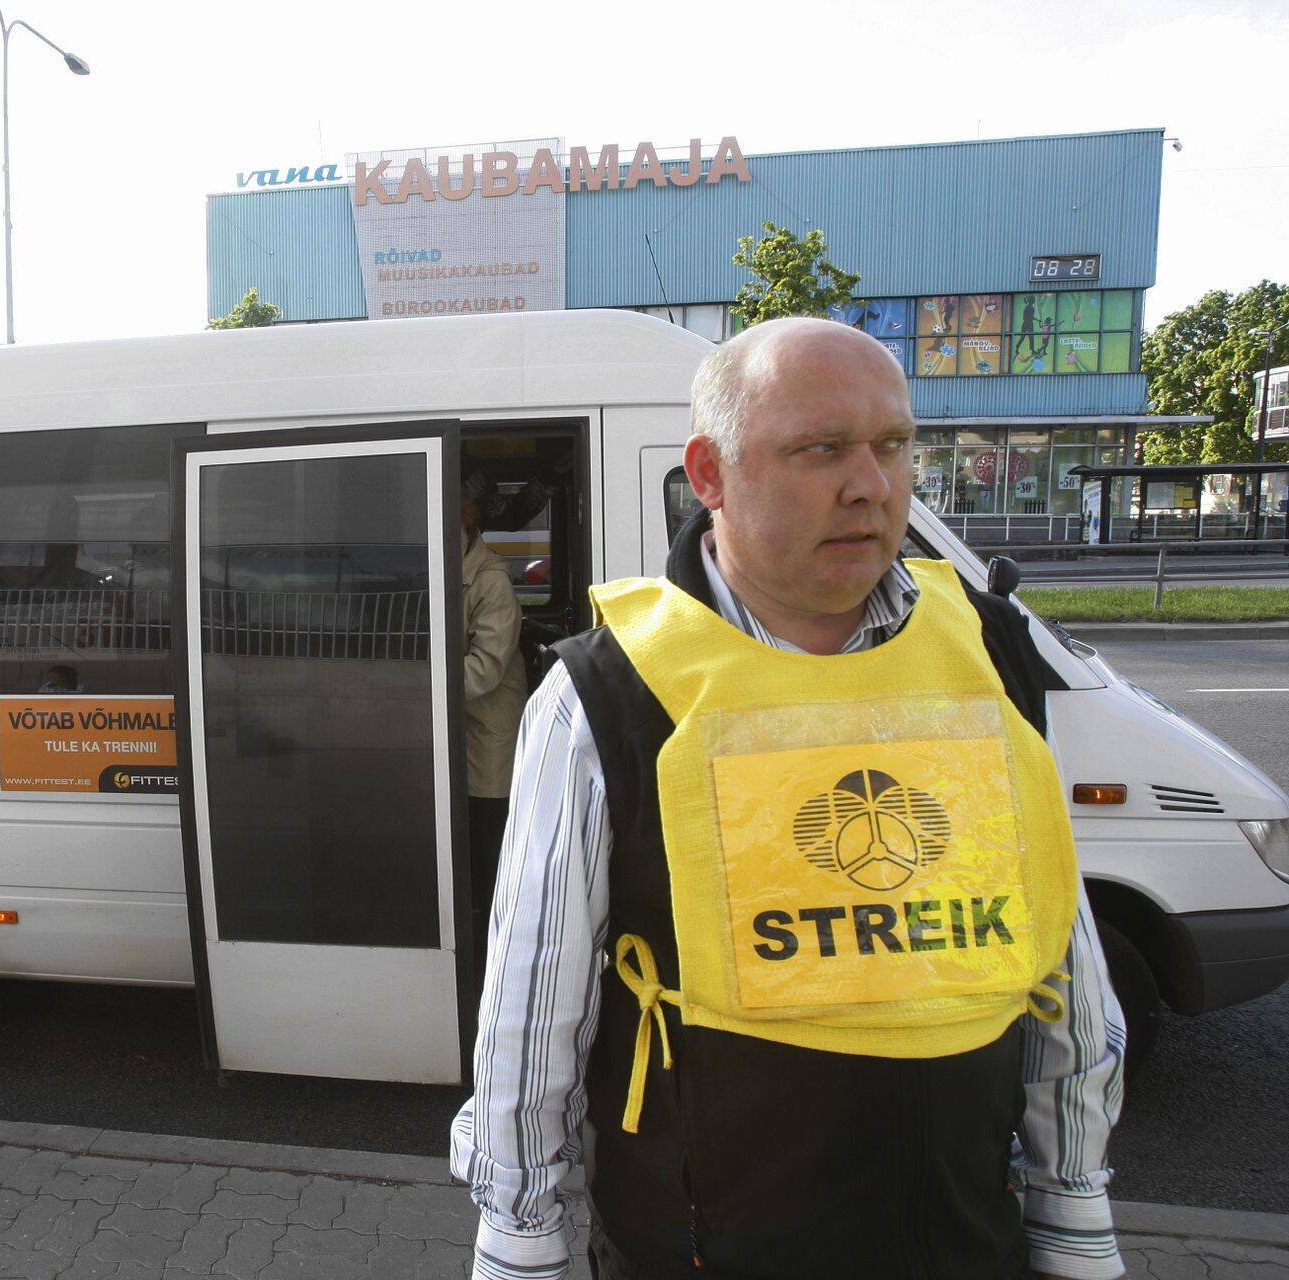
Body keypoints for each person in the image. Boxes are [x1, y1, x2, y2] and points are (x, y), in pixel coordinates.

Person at [452, 318, 1125, 1280]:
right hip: (703, 1251)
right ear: (710, 474)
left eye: (893, 446)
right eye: (820, 449)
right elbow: (532, 1015)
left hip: (963, 1246)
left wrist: (1074, 1223)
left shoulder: (984, 652)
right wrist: (521, 1250)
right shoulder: (609, 692)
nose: (871, 485)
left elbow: (1060, 963)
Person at [459, 492, 526, 966]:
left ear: (465, 526)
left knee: (489, 845)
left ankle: (494, 953)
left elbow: (484, 669)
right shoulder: (457, 570)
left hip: (489, 735)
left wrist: (414, 690)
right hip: (463, 728)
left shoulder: (490, 579)